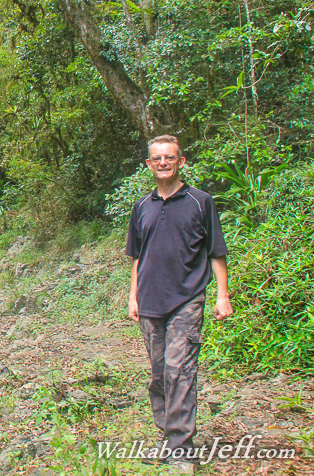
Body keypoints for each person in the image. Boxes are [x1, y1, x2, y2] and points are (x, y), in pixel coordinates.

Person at [126, 135, 234, 472]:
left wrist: (223, 295)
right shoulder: (142, 206)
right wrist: (132, 296)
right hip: (149, 303)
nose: (162, 163)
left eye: (169, 157)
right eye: (156, 158)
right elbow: (136, 257)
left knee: (180, 372)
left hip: (187, 299)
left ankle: (182, 450)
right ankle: (168, 437)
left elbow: (216, 251)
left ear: (181, 161)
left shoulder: (200, 202)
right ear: (148, 164)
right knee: (159, 376)